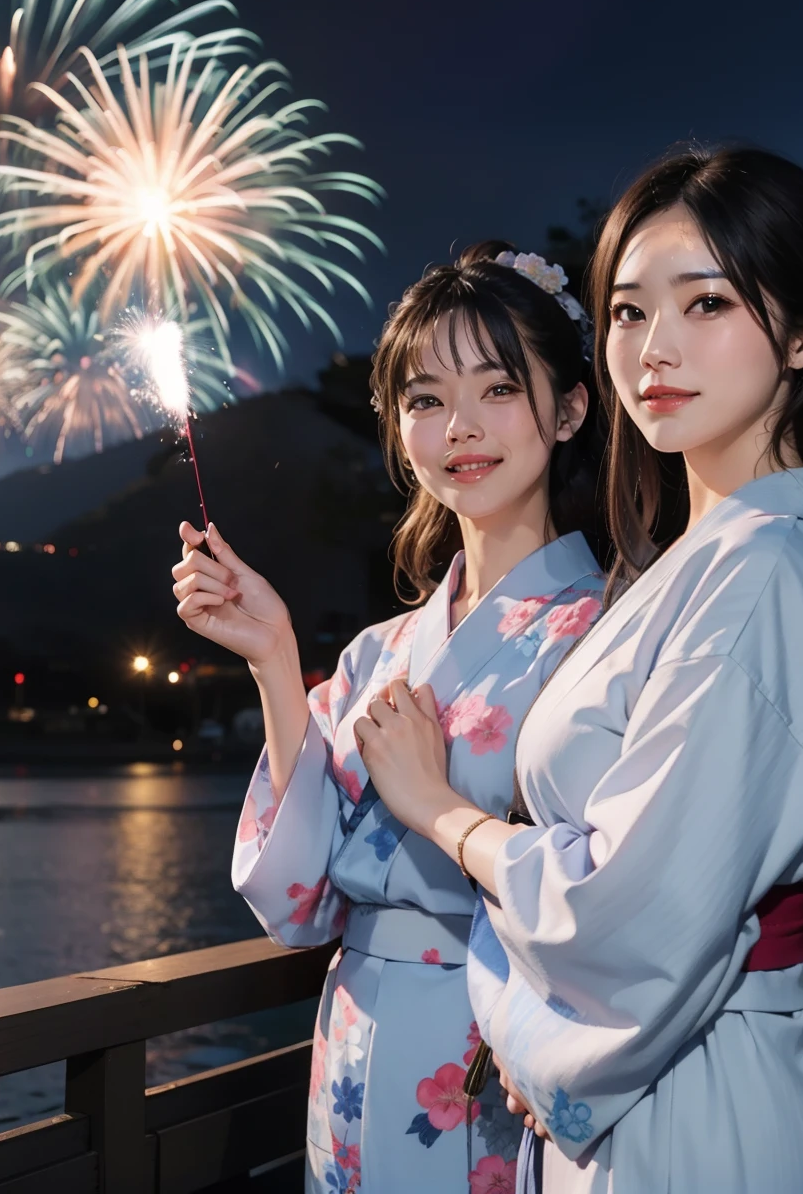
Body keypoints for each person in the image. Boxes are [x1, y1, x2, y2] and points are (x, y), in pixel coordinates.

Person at [356, 148, 803, 1194]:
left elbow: (628, 914)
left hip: (705, 1108)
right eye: (630, 313)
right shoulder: (694, 563)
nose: (656, 350)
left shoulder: (764, 570)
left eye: (708, 304)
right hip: (663, 1077)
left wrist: (442, 814)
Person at [171, 241, 607, 1194]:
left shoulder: (611, 630)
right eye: (424, 399)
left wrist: (435, 799)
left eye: (498, 388)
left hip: (502, 1051)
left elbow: (619, 893)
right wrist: (278, 663)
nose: (460, 427)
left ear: (571, 407)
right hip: (356, 1041)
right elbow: (298, 903)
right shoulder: (376, 653)